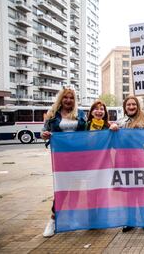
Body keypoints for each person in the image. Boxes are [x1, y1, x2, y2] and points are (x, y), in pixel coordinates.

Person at [41, 86, 87, 237]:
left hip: (78, 158)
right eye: (66, 97)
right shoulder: (53, 114)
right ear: (61, 99)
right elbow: (43, 132)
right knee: (62, 189)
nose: (68, 100)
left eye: (71, 98)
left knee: (75, 189)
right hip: (61, 157)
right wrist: (45, 135)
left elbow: (87, 133)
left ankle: (72, 218)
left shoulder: (80, 114)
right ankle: (53, 220)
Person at [110, 95, 144, 232]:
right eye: (128, 105)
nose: (131, 107)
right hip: (125, 161)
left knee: (141, 191)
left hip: (140, 161)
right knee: (129, 192)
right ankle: (131, 221)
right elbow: (114, 144)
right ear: (125, 107)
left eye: (133, 104)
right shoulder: (120, 122)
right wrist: (112, 131)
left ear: (137, 106)